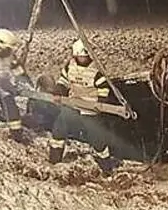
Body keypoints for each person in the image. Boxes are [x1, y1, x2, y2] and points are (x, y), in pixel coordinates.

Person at [48, 37, 121, 175]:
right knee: (59, 127)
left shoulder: (96, 70)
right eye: (81, 56)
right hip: (73, 105)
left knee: (97, 138)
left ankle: (106, 166)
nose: (84, 59)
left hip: (90, 110)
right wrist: (59, 91)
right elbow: (63, 81)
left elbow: (104, 88)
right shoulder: (70, 66)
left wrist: (101, 102)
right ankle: (54, 159)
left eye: (86, 56)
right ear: (75, 55)